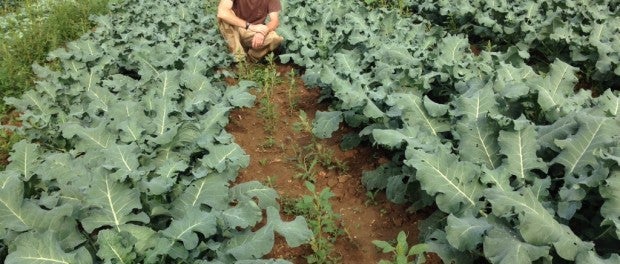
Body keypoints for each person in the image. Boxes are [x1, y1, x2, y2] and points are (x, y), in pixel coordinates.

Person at [217, 0, 284, 62]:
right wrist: (250, 26)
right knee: (225, 18)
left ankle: (251, 58)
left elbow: (274, 21)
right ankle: (239, 59)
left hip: (254, 33)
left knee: (275, 38)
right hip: (236, 29)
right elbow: (222, 12)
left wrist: (262, 32)